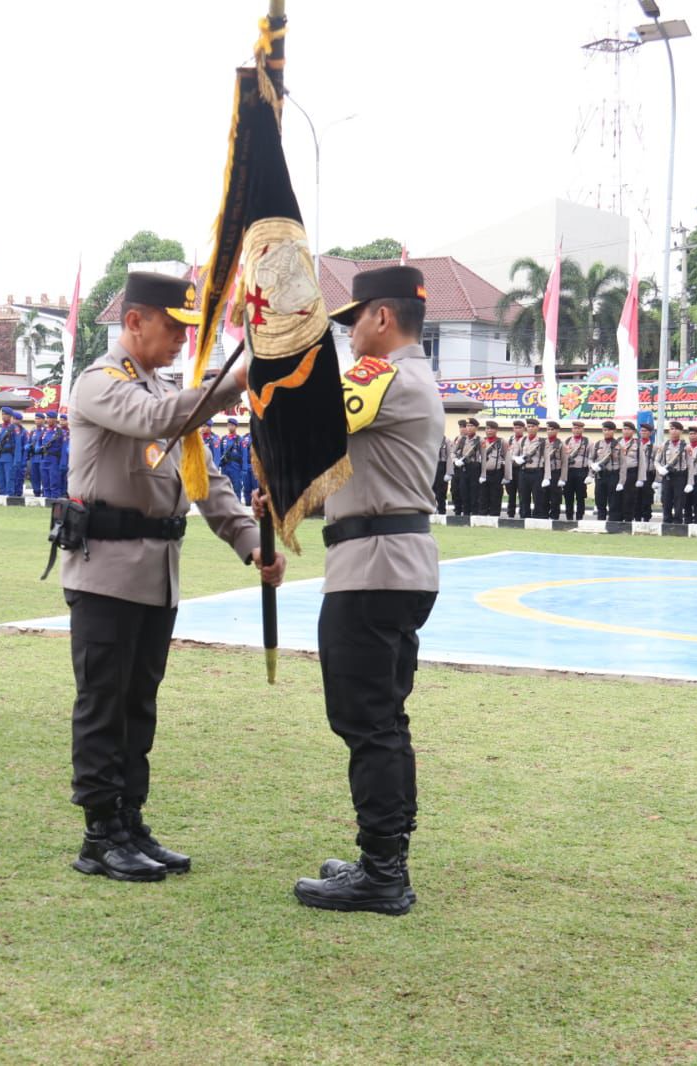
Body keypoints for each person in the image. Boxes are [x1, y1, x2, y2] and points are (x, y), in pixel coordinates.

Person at [60, 271, 282, 883]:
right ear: (134, 322)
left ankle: (130, 820)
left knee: (139, 705)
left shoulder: (164, 389)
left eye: (190, 327)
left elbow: (204, 477)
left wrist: (248, 543)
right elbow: (159, 420)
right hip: (105, 572)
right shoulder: (100, 384)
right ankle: (100, 833)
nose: (185, 338)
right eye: (174, 325)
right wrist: (230, 384)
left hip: (156, 575)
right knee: (104, 704)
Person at [292, 265, 441, 917]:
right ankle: (382, 857)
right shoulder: (411, 380)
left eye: (354, 321)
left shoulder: (383, 375)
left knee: (366, 721)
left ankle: (383, 873)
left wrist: (278, 356)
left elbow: (309, 419)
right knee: (381, 718)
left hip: (373, 565)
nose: (350, 335)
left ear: (382, 318)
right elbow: (342, 461)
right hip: (392, 560)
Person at [655, 420, 687, 523]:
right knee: (666, 499)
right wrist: (660, 469)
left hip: (680, 476)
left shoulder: (686, 446)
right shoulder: (664, 445)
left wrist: (690, 482)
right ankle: (667, 520)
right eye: (672, 429)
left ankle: (678, 522)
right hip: (667, 476)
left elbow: (690, 466)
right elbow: (656, 461)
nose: (674, 431)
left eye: (676, 429)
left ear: (681, 431)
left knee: (679, 500)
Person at [474, 419, 507, 516]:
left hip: (496, 473)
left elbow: (507, 459)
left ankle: (494, 516)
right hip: (483, 473)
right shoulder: (481, 441)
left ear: (496, 430)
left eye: (492, 429)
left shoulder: (502, 442)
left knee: (495, 496)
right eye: (487, 428)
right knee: (482, 496)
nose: (489, 431)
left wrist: (507, 476)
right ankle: (482, 515)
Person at [514, 417, 543, 518]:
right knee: (523, 497)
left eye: (533, 426)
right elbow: (513, 454)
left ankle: (537, 518)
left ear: (537, 428)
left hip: (537, 472)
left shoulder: (542, 441)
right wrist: (517, 459)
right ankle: (524, 517)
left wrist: (547, 477)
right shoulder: (522, 440)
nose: (530, 428)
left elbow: (547, 460)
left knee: (538, 497)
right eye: (529, 426)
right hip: (523, 472)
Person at [590, 420, 619, 520]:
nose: (606, 432)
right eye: (604, 430)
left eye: (608, 430)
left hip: (613, 475)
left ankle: (612, 522)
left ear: (613, 431)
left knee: (613, 501)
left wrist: (622, 481)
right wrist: (592, 468)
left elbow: (623, 464)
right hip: (600, 475)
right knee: (600, 499)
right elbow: (591, 458)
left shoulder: (618, 445)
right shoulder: (598, 444)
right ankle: (600, 521)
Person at [562, 419, 590, 520]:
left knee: (580, 496)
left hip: (581, 471)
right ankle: (569, 517)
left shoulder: (587, 442)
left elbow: (591, 458)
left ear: (583, 429)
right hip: (569, 472)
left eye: (579, 428)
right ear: (572, 429)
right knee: (568, 495)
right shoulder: (567, 441)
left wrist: (590, 474)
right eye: (575, 428)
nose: (577, 430)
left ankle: (579, 517)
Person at [614, 421, 641, 524]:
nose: (626, 431)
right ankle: (617, 518)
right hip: (618, 472)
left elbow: (641, 461)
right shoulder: (617, 442)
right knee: (617, 496)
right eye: (624, 429)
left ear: (633, 431)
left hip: (631, 472)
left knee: (629, 497)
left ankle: (628, 519)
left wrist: (640, 478)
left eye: (628, 429)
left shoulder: (637, 443)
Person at [0, 408, 23, 496]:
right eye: (2, 414)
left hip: (9, 456)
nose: (4, 416)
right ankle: (2, 493)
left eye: (6, 414)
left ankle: (9, 495)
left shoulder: (14, 428)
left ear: (10, 416)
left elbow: (18, 446)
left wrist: (17, 460)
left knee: (9, 478)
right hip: (0, 456)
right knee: (0, 477)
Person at [448, 419, 473, 516]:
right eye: (461, 427)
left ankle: (467, 510)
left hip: (467, 468)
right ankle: (457, 509)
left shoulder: (473, 440)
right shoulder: (456, 439)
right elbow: (452, 453)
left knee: (466, 490)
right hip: (456, 468)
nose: (462, 429)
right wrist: (454, 461)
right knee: (455, 489)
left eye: (464, 427)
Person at [503, 419, 525, 517]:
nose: (517, 430)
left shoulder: (525, 440)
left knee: (522, 492)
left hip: (521, 469)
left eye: (519, 428)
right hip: (511, 469)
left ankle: (522, 512)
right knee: (511, 493)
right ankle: (510, 512)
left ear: (523, 429)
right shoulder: (510, 440)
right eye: (515, 428)